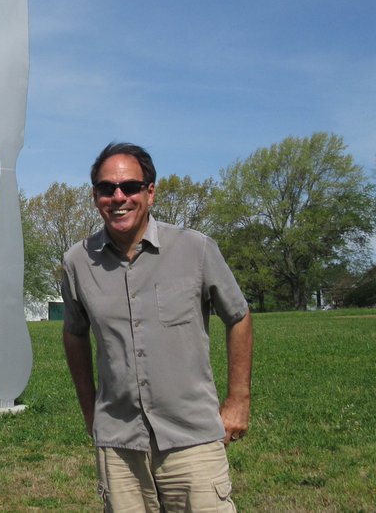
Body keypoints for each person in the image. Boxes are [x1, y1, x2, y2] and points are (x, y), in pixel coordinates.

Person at [61, 142, 253, 512]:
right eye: (107, 188)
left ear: (150, 192)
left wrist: (238, 401)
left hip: (192, 438)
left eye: (130, 187)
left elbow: (239, 316)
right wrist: (90, 411)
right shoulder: (77, 262)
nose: (119, 197)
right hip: (120, 445)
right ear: (95, 197)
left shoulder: (195, 249)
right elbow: (74, 332)